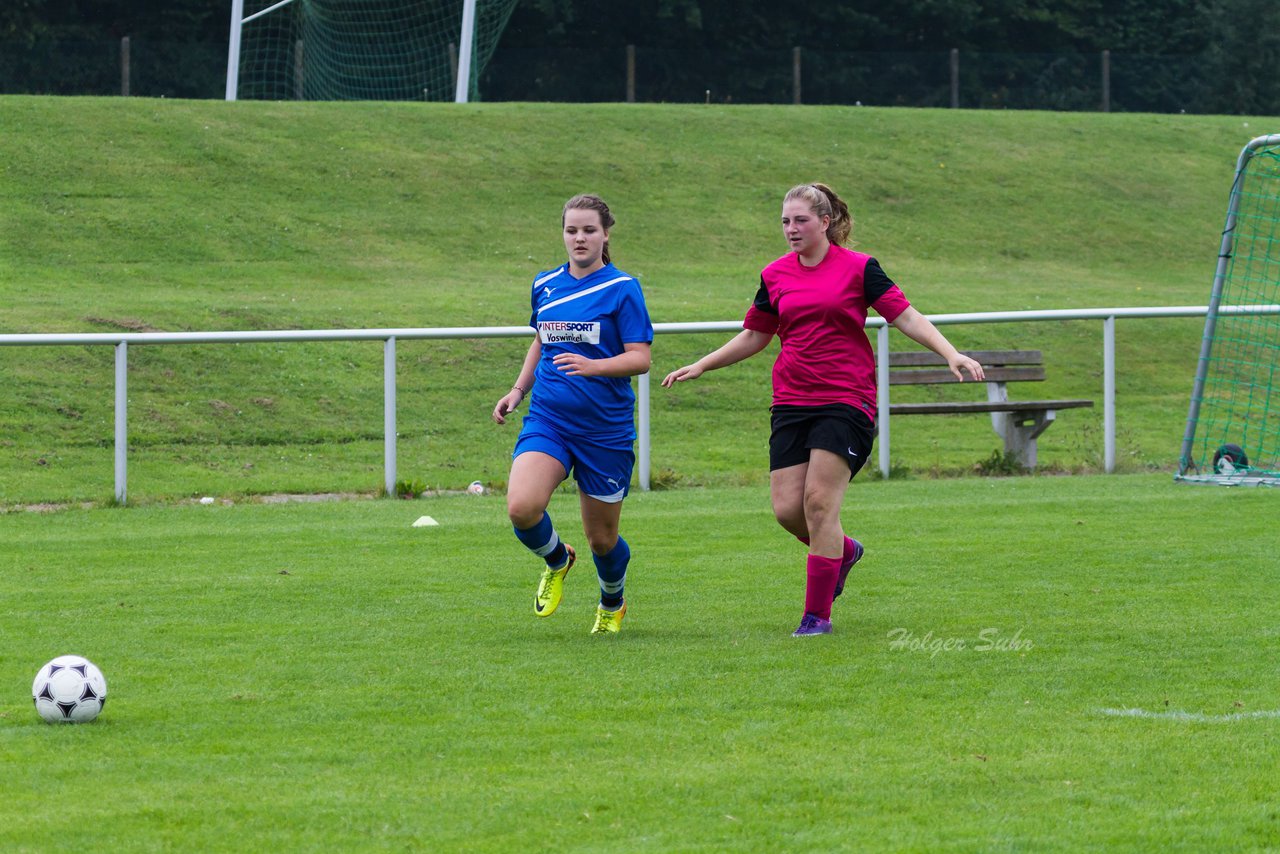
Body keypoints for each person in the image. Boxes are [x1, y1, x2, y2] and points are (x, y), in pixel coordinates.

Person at [661, 183, 984, 637]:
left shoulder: (860, 268)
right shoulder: (774, 274)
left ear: (825, 222)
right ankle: (844, 552)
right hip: (791, 401)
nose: (791, 230)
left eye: (801, 221)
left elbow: (905, 315)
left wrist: (950, 353)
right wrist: (701, 365)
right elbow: (756, 335)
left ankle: (816, 618)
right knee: (787, 510)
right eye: (785, 222)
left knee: (818, 503)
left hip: (846, 399)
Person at [492, 194, 653, 635]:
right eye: (571, 230)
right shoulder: (545, 284)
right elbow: (541, 341)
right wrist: (518, 390)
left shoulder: (623, 288)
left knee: (603, 540)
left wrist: (594, 366)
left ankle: (612, 602)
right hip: (550, 419)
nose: (579, 238)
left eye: (588, 230)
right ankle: (558, 560)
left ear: (605, 234)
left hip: (605, 430)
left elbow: (640, 358)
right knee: (522, 508)